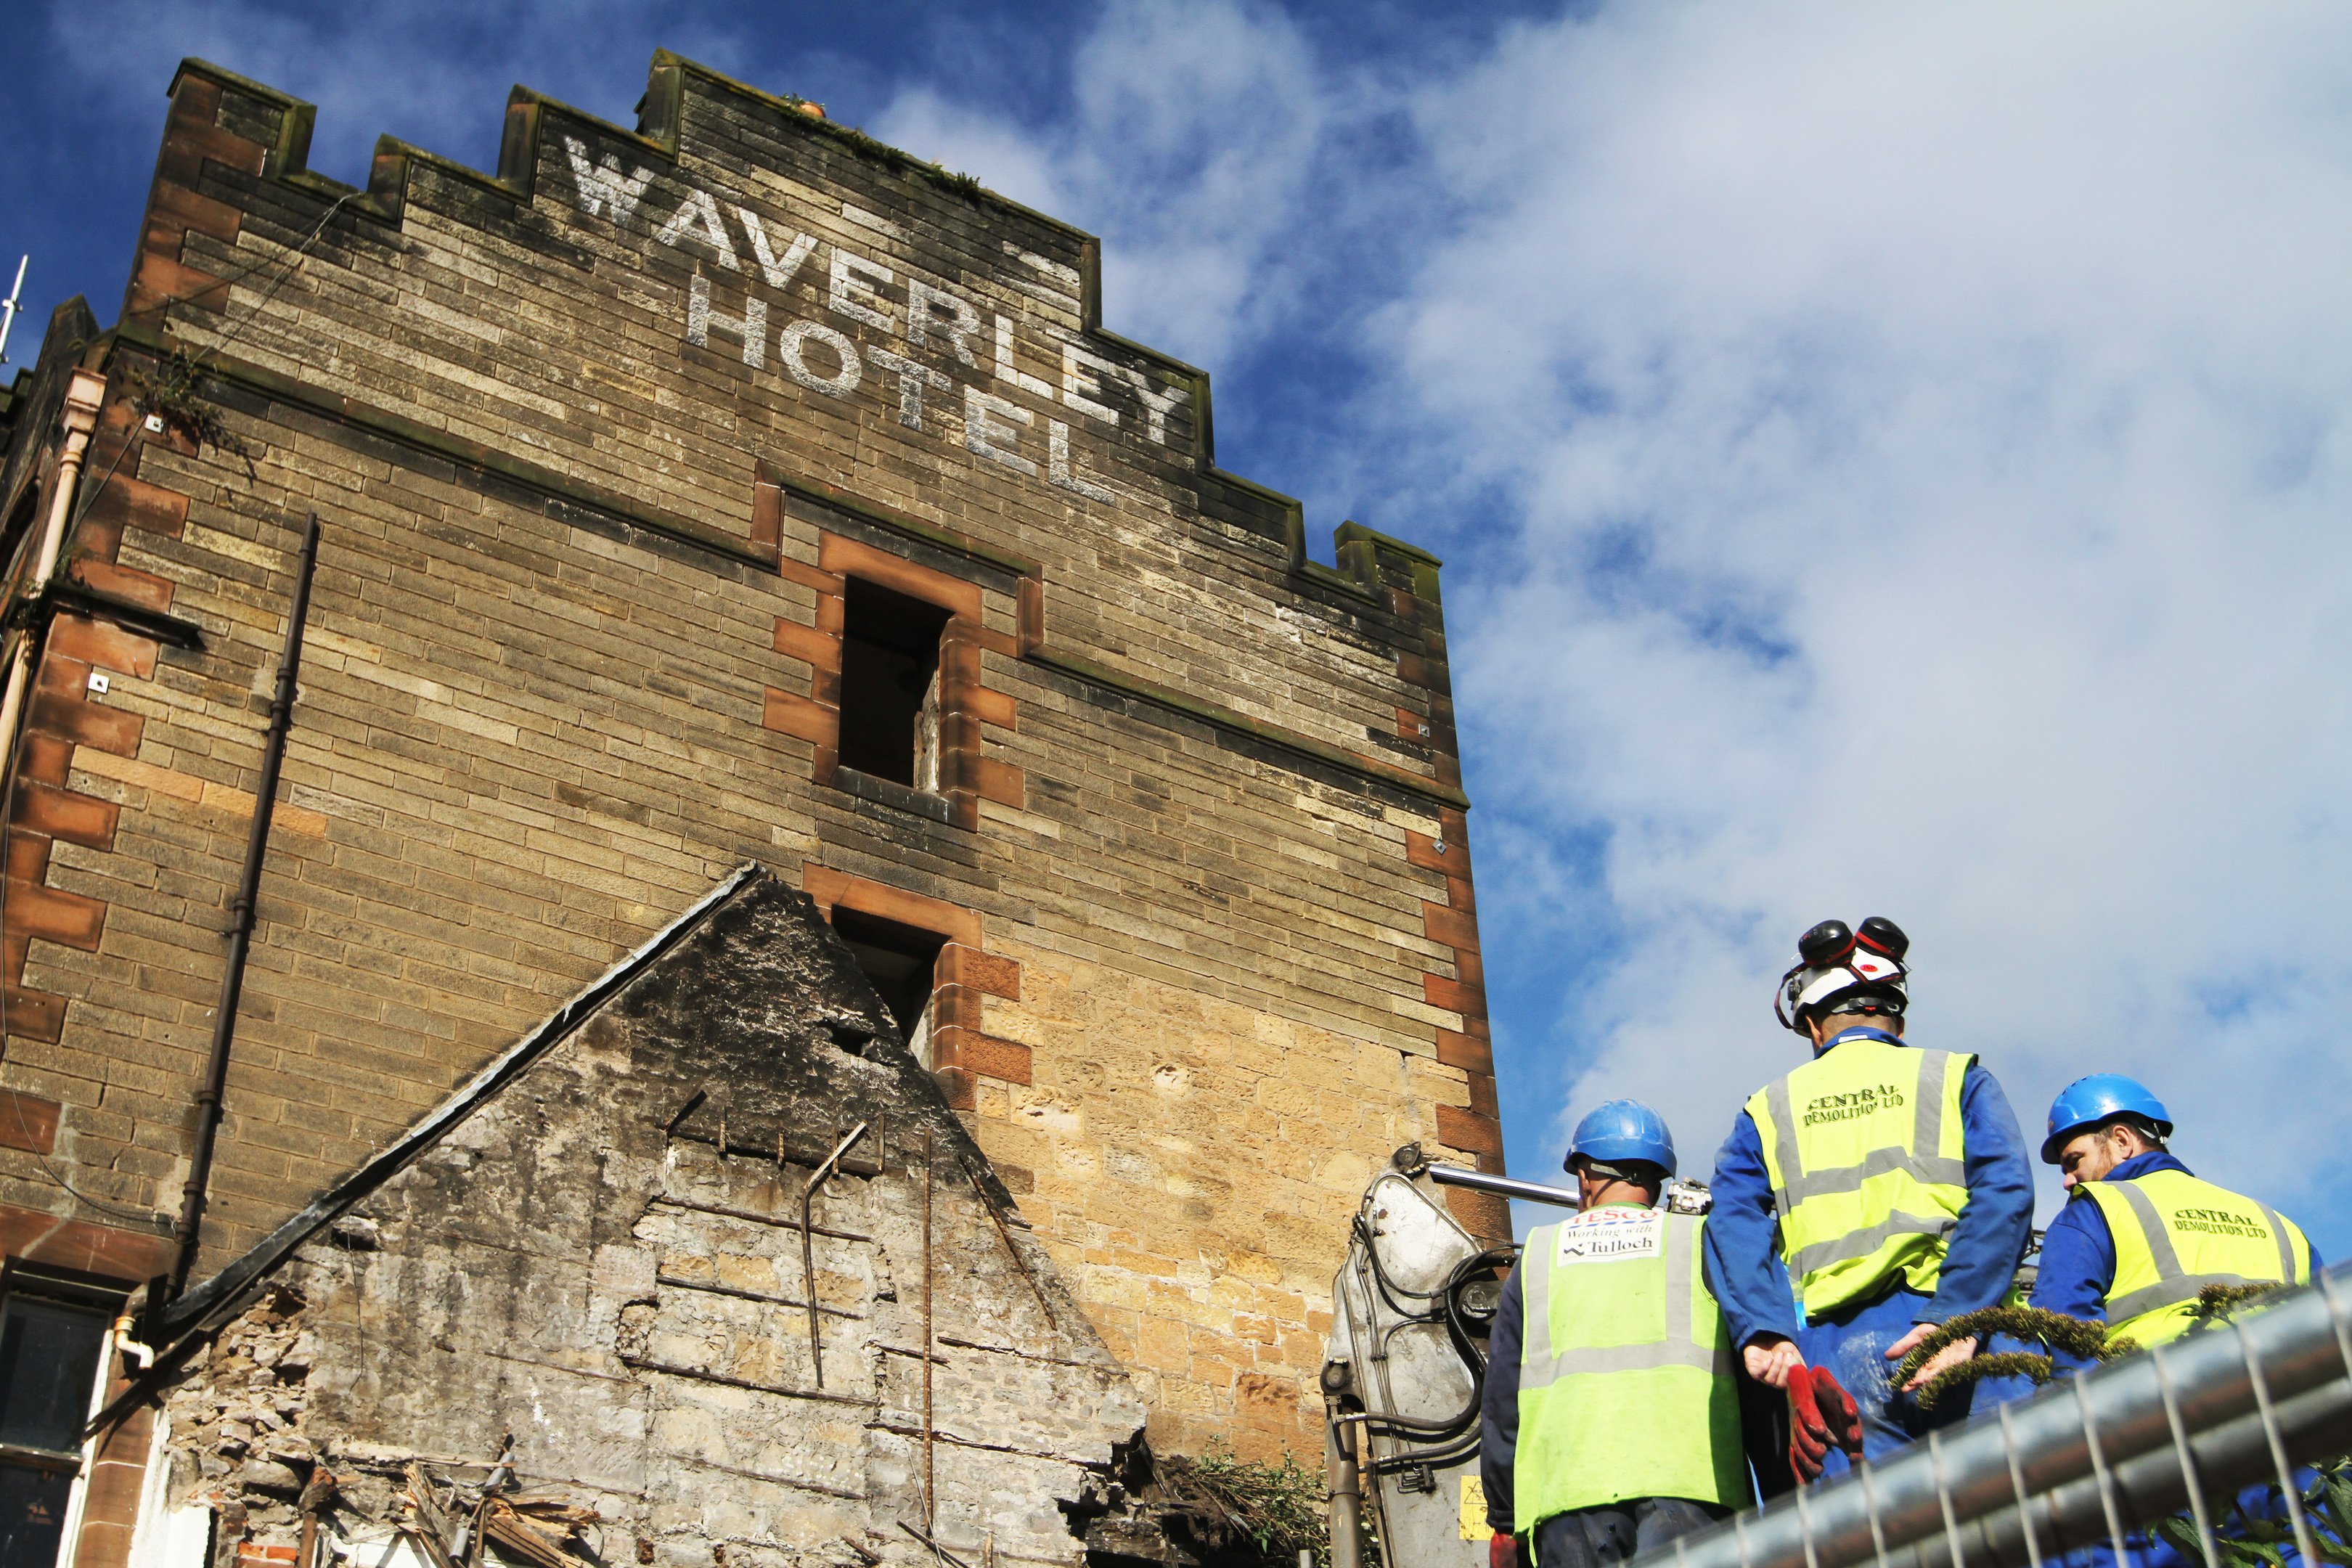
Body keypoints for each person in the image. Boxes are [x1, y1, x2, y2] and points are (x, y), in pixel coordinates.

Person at [1703, 917, 2035, 1472]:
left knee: (1871, 1543)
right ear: (1897, 1019)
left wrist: (1766, 1330)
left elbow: (1732, 1218)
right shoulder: (1954, 1077)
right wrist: (1956, 1315)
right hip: (1962, 1327)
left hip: (1835, 1354)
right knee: (2016, 1529)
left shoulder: (1767, 1109)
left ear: (1812, 1024)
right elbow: (2004, 1191)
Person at [1482, 1101, 1747, 1568]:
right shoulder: (1699, 1240)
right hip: (1696, 1487)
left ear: (1585, 1177)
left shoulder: (1539, 1256)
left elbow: (1503, 1400)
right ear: (1658, 1176)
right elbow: (1756, 1368)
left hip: (1569, 1495)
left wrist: (1505, 1519)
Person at [2035, 1074, 2318, 1347]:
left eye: (2075, 1161)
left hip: (2154, 1391)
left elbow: (2061, 1335)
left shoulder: (2092, 1211)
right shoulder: (2280, 1227)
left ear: (2122, 1141)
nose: (2068, 1180)